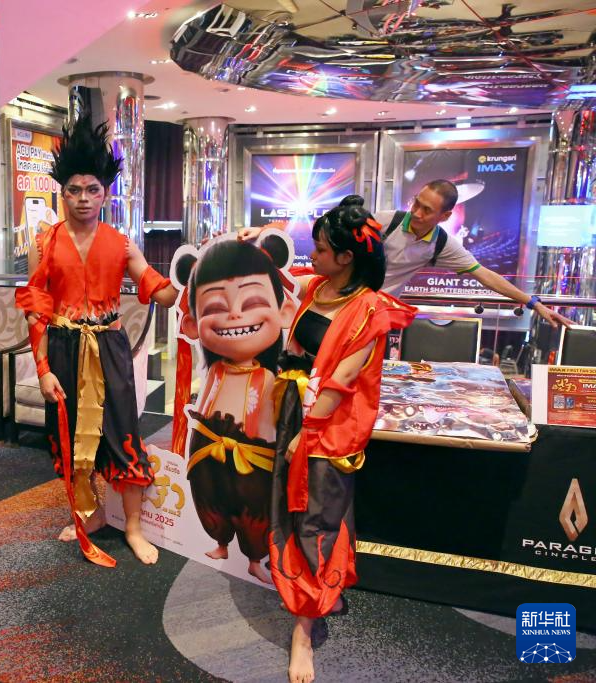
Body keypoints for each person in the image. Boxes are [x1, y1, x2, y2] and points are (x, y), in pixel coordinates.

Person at [16, 112, 178, 566]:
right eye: (74, 190)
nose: (83, 198)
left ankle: (133, 528)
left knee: (122, 433)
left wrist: (192, 276)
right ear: (62, 192)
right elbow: (36, 310)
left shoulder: (121, 243)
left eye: (92, 189)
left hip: (108, 348)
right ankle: (89, 514)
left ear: (105, 193)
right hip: (64, 348)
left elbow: (160, 292)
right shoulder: (43, 244)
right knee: (70, 436)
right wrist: (42, 370)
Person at [265, 196, 415, 683]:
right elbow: (281, 292)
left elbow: (341, 379)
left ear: (347, 257)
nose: (313, 255)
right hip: (296, 414)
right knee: (291, 509)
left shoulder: (370, 309)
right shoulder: (318, 288)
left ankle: (304, 631)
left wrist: (306, 434)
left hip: (327, 429)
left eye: (322, 249)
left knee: (318, 518)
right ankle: (310, 591)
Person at [173, 233, 298, 583]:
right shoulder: (214, 371)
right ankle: (220, 541)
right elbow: (205, 404)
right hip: (208, 448)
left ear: (284, 311)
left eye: (252, 301)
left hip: (255, 454)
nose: (234, 314)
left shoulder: (270, 378)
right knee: (210, 497)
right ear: (192, 324)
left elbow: (271, 421)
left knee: (254, 506)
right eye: (214, 308)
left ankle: (255, 558)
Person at [374, 179, 571, 326]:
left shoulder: (441, 243)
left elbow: (485, 275)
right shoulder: (385, 221)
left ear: (445, 216)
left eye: (427, 210)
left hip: (377, 316)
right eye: (416, 203)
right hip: (355, 305)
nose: (416, 213)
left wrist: (534, 304)